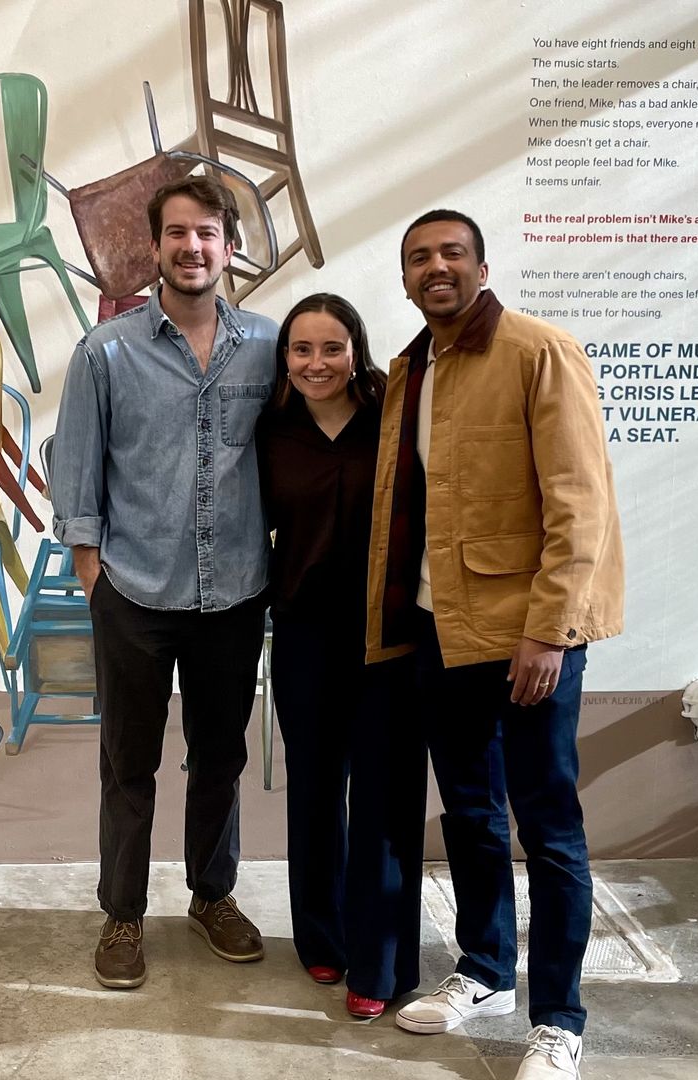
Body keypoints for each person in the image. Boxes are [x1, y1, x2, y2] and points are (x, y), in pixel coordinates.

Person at [367, 210, 624, 1080]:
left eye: (450, 254)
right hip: (445, 631)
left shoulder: (538, 351)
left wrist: (550, 629)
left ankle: (560, 1019)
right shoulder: (414, 368)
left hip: (530, 640)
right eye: (418, 258)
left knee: (549, 826)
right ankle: (484, 972)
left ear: (480, 265)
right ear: (405, 278)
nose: (434, 268)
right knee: (471, 814)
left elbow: (580, 504)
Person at [49, 175, 280, 990]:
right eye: (177, 233)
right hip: (136, 592)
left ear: (228, 245)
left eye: (209, 233)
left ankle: (212, 896)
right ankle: (122, 911)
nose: (193, 247)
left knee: (219, 758)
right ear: (155, 248)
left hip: (236, 592)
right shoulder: (106, 351)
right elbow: (74, 461)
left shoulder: (268, 344)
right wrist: (90, 568)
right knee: (128, 763)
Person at [255, 294, 426, 1020]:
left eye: (331, 348)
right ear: (284, 358)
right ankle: (319, 935)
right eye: (301, 349)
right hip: (302, 635)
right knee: (317, 791)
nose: (316, 364)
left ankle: (381, 962)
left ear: (356, 348)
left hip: (388, 637)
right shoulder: (269, 431)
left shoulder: (394, 421)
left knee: (385, 798)